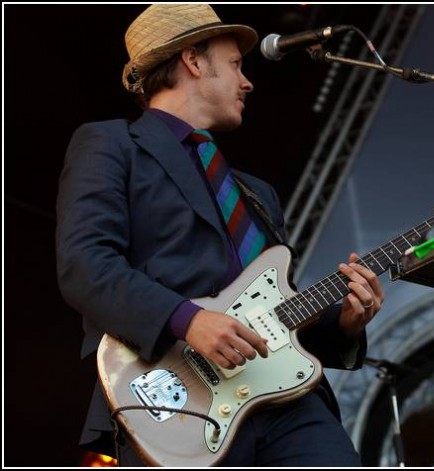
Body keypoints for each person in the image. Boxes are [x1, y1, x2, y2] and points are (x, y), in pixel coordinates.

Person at [56, 4, 384, 467]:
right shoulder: (111, 145)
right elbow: (84, 265)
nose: (247, 81)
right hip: (179, 401)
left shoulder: (258, 192)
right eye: (235, 64)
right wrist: (187, 319)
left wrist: (346, 324)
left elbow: (276, 313)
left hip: (288, 401)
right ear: (193, 60)